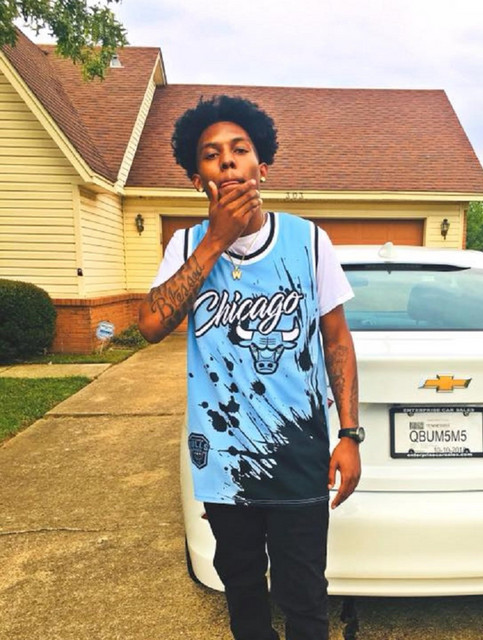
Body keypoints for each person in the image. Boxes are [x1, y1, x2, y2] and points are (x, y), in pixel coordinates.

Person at [138, 95, 362, 640]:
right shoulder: (186, 246)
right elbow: (150, 324)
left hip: (298, 452)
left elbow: (337, 340)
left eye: (240, 149)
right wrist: (217, 239)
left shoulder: (309, 242)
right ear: (198, 180)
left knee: (304, 596)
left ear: (262, 167)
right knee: (241, 590)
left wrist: (350, 434)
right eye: (212, 154)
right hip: (223, 461)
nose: (228, 160)